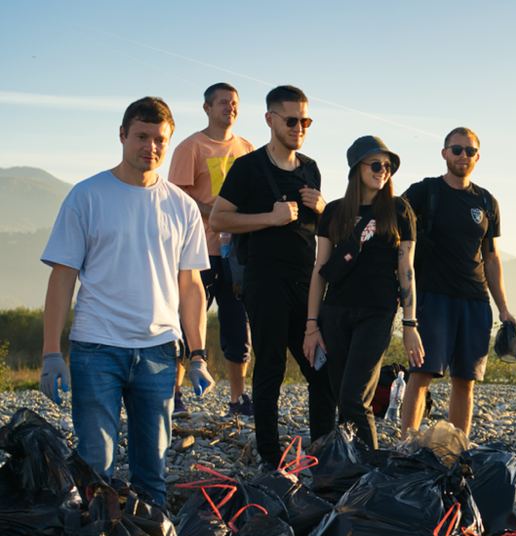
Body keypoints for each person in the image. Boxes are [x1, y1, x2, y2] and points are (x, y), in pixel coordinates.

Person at [39, 96, 213, 504]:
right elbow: (62, 278)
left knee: (151, 470)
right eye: (141, 137)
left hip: (158, 352)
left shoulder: (182, 206)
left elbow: (190, 287)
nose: (150, 147)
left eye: (160, 140)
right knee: (95, 464)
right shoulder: (87, 196)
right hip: (97, 347)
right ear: (122, 135)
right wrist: (51, 353)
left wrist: (199, 353)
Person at [210, 84, 335, 468]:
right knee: (270, 369)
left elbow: (321, 228)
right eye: (292, 120)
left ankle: (324, 451)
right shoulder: (248, 167)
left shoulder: (311, 168)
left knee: (321, 369)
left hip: (305, 281)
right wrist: (270, 218)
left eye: (306, 121)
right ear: (270, 120)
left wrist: (323, 206)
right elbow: (218, 219)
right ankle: (269, 456)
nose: (300, 127)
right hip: (263, 281)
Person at [303, 136, 424, 450]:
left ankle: (371, 474)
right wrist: (312, 325)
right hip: (335, 312)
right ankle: (349, 471)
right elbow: (320, 269)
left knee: (354, 398)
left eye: (387, 166)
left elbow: (406, 269)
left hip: (377, 312)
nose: (382, 171)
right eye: (375, 164)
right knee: (343, 400)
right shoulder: (333, 212)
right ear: (356, 168)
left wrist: (410, 325)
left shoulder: (399, 210)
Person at [400, 127, 513, 437]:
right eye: (457, 149)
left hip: (475, 300)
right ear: (444, 153)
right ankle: (407, 444)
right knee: (422, 373)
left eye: (470, 151)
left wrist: (503, 307)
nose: (463, 156)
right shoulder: (424, 193)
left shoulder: (487, 201)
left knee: (465, 380)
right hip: (433, 297)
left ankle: (457, 447)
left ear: (478, 157)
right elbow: (392, 223)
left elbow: (491, 258)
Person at [168, 82, 254, 417]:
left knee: (238, 326)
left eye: (234, 103)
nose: (229, 108)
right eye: (222, 103)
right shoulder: (191, 147)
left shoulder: (246, 148)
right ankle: (174, 394)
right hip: (197, 251)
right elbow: (176, 196)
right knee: (186, 323)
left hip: (236, 252)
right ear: (206, 108)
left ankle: (238, 398)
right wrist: (212, 213)